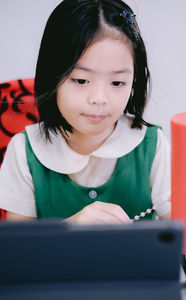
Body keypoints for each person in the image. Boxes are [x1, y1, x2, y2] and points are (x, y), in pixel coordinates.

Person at [0, 0, 171, 223]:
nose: (99, 99)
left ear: (134, 81)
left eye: (117, 82)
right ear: (53, 76)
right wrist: (71, 229)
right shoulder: (24, 151)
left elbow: (185, 237)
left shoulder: (151, 145)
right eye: (81, 80)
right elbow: (19, 252)